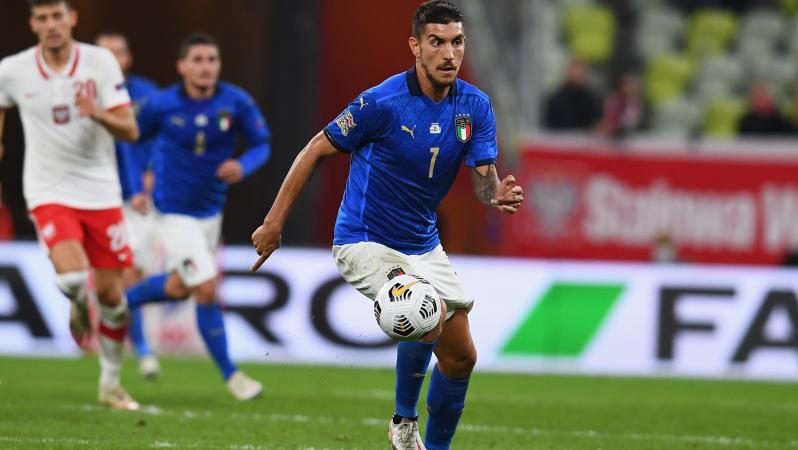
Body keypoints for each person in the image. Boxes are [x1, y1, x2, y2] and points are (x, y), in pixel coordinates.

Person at [250, 2, 523, 449]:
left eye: (456, 42)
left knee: (460, 357)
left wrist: (495, 194)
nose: (448, 54)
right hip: (364, 240)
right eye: (436, 42)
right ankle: (403, 421)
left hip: (422, 243)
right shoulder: (381, 103)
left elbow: (482, 182)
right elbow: (315, 149)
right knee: (424, 312)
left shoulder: (474, 106)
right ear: (415, 46)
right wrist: (273, 222)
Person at [0, 0, 140, 410]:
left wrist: (97, 112)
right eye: (42, 18)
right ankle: (79, 305)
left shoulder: (100, 63)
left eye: (57, 16)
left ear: (72, 18)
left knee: (115, 301)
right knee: (77, 280)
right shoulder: (12, 70)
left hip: (100, 193)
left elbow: (130, 129)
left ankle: (111, 384)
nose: (51, 25)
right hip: (48, 190)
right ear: (32, 24)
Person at [124, 33, 270, 400]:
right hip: (172, 214)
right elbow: (130, 137)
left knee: (180, 286)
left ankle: (124, 299)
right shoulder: (161, 104)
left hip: (210, 213)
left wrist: (243, 164)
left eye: (212, 60)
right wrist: (138, 182)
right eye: (198, 60)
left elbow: (262, 143)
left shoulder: (235, 101)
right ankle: (233, 376)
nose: (206, 67)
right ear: (182, 66)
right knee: (206, 286)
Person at [95, 31, 162, 379]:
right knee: (106, 278)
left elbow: (164, 137)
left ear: (128, 58)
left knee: (131, 274)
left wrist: (150, 174)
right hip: (92, 196)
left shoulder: (147, 94)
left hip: (133, 200)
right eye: (103, 53)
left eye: (117, 53)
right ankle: (131, 347)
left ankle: (140, 348)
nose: (111, 60)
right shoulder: (82, 96)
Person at [544, 57, 603, 131]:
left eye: (580, 74)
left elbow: (597, 125)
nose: (577, 76)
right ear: (567, 72)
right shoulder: (555, 100)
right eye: (574, 73)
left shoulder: (592, 100)